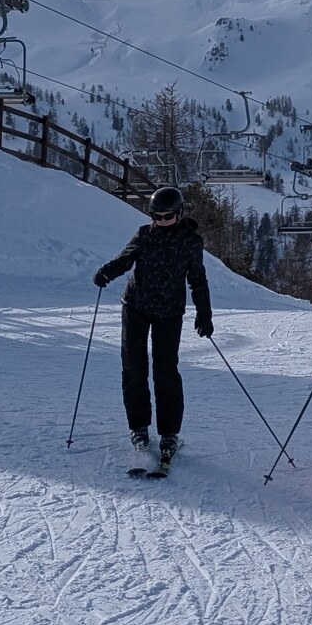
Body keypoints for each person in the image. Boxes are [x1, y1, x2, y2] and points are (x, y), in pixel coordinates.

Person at [93, 187, 212, 473]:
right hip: (136, 306)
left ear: (179, 213)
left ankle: (169, 433)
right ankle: (139, 429)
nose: (161, 221)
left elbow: (198, 280)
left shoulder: (190, 241)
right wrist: (107, 271)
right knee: (133, 368)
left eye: (167, 216)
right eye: (156, 216)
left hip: (169, 312)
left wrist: (204, 314)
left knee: (165, 371)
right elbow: (126, 259)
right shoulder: (144, 234)